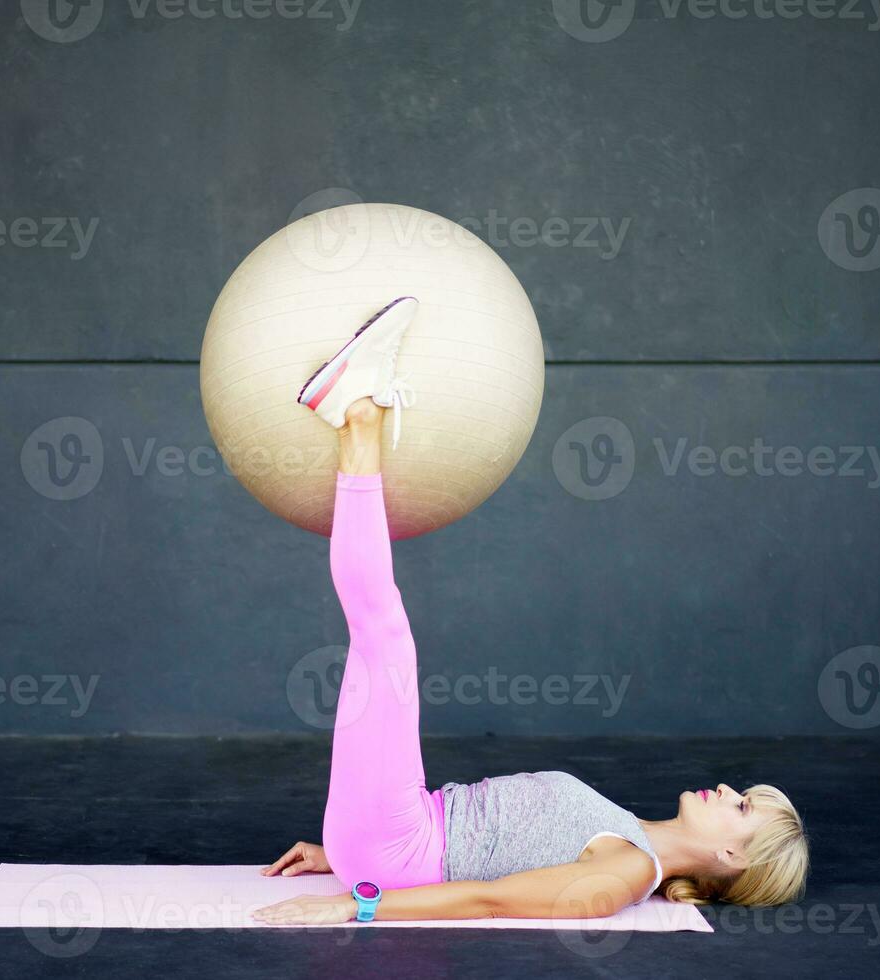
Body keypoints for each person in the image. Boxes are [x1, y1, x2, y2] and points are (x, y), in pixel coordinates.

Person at [251, 298, 808, 925]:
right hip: (397, 834)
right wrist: (342, 855)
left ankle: (359, 415)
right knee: (382, 639)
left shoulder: (624, 873)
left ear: (732, 854)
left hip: (398, 849)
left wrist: (357, 904)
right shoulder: (627, 833)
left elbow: (492, 899)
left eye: (741, 809)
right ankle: (358, 416)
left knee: (385, 638)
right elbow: (494, 853)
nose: (729, 792)